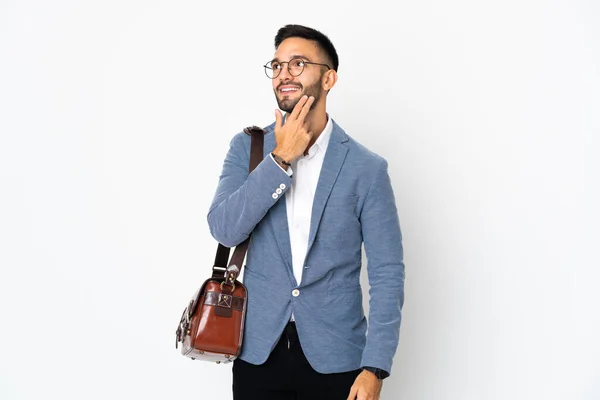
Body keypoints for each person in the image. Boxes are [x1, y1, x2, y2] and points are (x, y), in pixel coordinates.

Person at [207, 24, 405, 400]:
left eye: (298, 64)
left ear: (328, 78)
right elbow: (224, 229)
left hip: (338, 360)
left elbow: (387, 272)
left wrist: (375, 366)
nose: (284, 73)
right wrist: (280, 158)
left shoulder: (366, 168)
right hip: (257, 354)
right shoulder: (248, 149)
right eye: (278, 65)